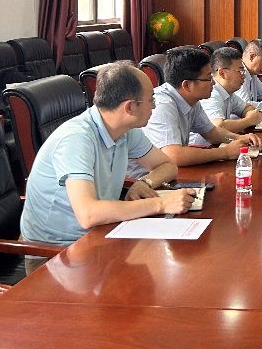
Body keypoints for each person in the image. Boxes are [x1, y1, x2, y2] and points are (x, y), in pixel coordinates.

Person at [20, 62, 194, 250]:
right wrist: (160, 204)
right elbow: (88, 214)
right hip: (57, 250)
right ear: (129, 107)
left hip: (101, 233)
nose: (154, 105)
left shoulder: (125, 130)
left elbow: (167, 166)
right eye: (151, 99)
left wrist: (145, 183)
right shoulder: (76, 139)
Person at [130, 46, 255, 172]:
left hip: (170, 172)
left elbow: (212, 133)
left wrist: (239, 138)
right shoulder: (162, 104)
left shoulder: (191, 100)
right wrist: (225, 152)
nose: (213, 83)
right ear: (187, 85)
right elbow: (174, 155)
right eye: (208, 78)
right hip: (143, 178)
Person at [201, 46, 262, 135]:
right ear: (222, 73)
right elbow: (218, 126)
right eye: (240, 71)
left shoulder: (228, 93)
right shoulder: (211, 94)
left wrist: (250, 115)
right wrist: (249, 120)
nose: (244, 76)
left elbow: (247, 107)